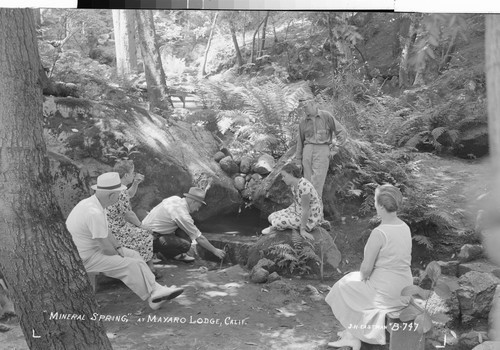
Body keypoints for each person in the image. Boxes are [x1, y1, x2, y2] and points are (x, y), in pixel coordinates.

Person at [66, 172, 184, 310]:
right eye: (118, 193)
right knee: (129, 264)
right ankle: (154, 294)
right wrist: (119, 254)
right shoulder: (94, 212)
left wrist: (118, 247)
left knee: (134, 255)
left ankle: (156, 291)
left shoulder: (94, 203)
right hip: (83, 258)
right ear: (111, 195)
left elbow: (106, 231)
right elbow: (105, 249)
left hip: (87, 252)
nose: (120, 196)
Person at [324, 184, 413, 349]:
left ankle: (353, 336)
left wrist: (364, 278)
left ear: (380, 206)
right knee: (355, 287)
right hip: (405, 289)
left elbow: (366, 270)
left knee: (343, 285)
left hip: (386, 292)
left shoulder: (379, 233)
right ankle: (352, 333)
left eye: (374, 200)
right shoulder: (405, 227)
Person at [142, 187, 226, 262]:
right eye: (198, 206)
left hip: (144, 231)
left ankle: (168, 253)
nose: (197, 210)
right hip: (149, 238)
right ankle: (153, 252)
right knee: (185, 245)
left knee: (184, 230)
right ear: (193, 202)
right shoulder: (182, 214)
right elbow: (199, 238)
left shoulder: (175, 199)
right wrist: (215, 250)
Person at [106, 160, 156, 275]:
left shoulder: (114, 186)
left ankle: (143, 265)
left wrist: (135, 183)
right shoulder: (121, 190)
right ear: (126, 175)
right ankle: (148, 269)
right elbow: (128, 214)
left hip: (110, 225)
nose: (134, 175)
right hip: (115, 229)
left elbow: (129, 194)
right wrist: (141, 225)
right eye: (133, 172)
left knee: (139, 230)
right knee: (146, 234)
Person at [294, 99, 348, 199]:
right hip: (307, 151)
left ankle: (317, 213)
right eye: (303, 107)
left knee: (317, 185)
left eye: (306, 106)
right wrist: (298, 160)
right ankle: (308, 212)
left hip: (322, 150)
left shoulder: (326, 116)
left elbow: (342, 132)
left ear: (314, 104)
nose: (304, 109)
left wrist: (335, 149)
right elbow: (300, 142)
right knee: (307, 185)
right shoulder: (303, 121)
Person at [261, 163, 323, 240]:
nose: (283, 179)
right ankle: (276, 225)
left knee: (277, 222)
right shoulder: (293, 185)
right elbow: (297, 202)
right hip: (297, 210)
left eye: (284, 176)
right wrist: (288, 212)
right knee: (271, 216)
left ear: (291, 174)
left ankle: (275, 226)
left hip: (309, 217)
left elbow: (306, 210)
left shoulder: (304, 186)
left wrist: (302, 230)